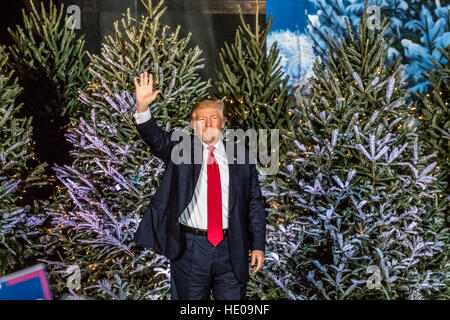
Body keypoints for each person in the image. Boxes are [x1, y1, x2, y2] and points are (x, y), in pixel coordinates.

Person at [132, 71, 266, 300]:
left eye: (213, 118)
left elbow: (255, 202)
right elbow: (155, 138)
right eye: (201, 119)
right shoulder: (180, 149)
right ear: (193, 124)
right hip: (190, 249)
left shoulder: (241, 156)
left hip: (231, 248)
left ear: (223, 123)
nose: (207, 123)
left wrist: (258, 245)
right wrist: (143, 108)